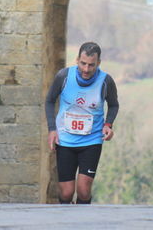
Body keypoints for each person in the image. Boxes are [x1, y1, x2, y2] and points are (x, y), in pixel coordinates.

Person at [45, 42, 119, 204]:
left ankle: (81, 223)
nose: (86, 69)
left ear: (98, 63)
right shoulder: (63, 76)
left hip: (91, 140)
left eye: (91, 65)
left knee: (84, 191)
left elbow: (113, 105)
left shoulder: (106, 81)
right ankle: (65, 223)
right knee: (66, 193)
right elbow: (50, 101)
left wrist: (108, 125)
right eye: (83, 64)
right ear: (77, 59)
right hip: (65, 140)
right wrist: (52, 129)